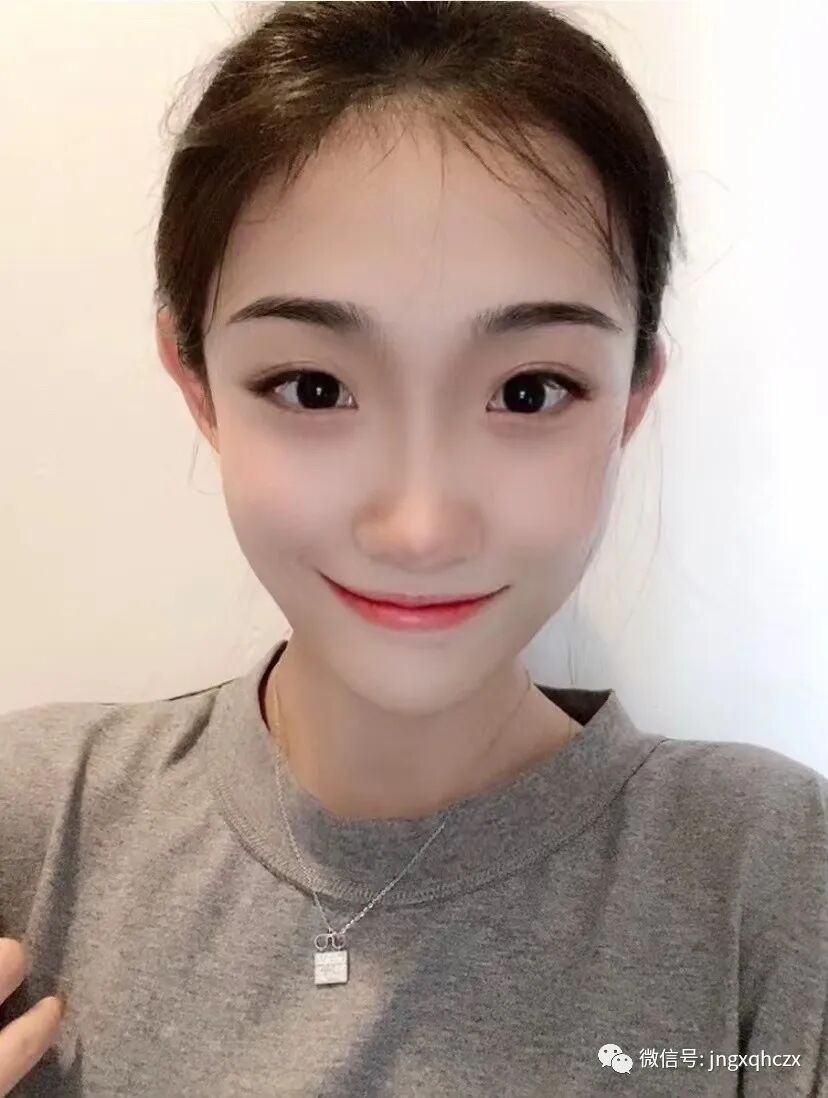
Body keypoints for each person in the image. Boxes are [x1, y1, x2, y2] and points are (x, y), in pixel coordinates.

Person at [1, 2, 825, 1095]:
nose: (422, 527)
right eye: (313, 388)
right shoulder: (33, 822)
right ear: (198, 386)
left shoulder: (771, 877)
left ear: (630, 402)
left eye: (529, 391)